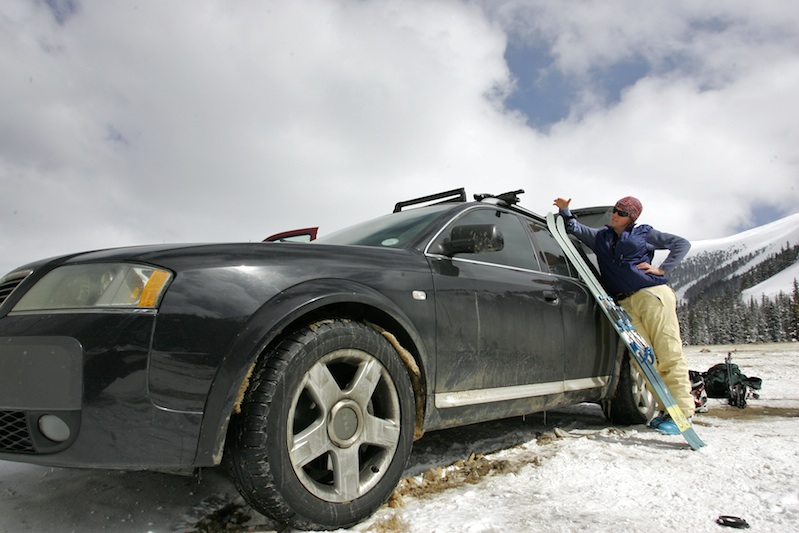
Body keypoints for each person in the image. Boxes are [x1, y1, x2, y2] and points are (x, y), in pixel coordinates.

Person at [553, 195, 694, 435]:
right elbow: (574, 228)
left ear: (632, 218)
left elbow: (681, 244)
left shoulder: (644, 234)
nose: (615, 215)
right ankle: (667, 410)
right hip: (625, 303)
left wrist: (662, 269)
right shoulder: (601, 237)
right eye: (615, 210)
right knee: (644, 360)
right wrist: (565, 211)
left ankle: (683, 413)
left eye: (622, 212)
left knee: (668, 353)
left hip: (652, 296)